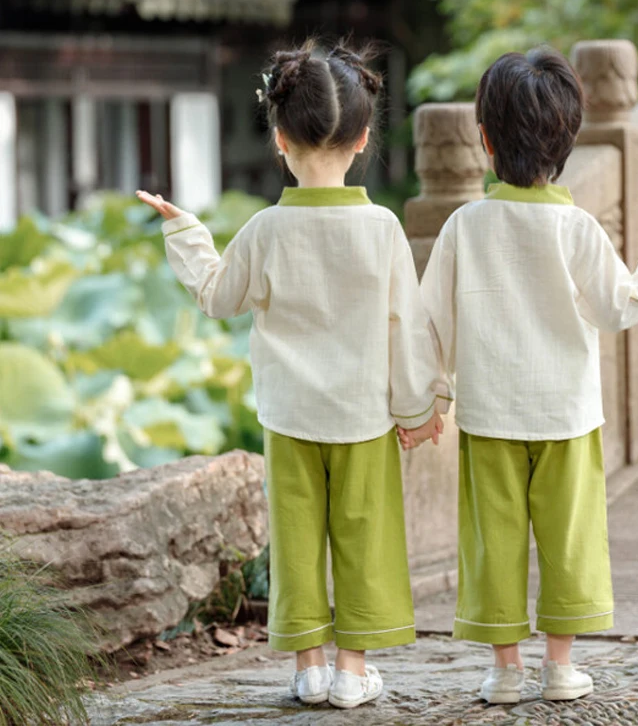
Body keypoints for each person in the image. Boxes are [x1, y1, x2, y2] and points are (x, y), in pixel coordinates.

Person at [399, 47, 638, 704]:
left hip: (490, 414)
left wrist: (425, 401)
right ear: (567, 142)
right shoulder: (577, 228)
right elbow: (619, 305)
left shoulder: (465, 225)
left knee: (494, 539)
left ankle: (504, 668)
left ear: (484, 140)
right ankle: (560, 665)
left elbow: (427, 323)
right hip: (567, 415)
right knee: (569, 537)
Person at [137, 41, 446, 710]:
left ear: (279, 139)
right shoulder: (382, 227)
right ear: (364, 138)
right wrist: (419, 407)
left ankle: (307, 667)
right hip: (363, 415)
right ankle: (352, 669)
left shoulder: (265, 229)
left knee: (298, 535)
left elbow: (219, 297)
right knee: (364, 535)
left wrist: (187, 231)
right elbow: (408, 326)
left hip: (290, 414)